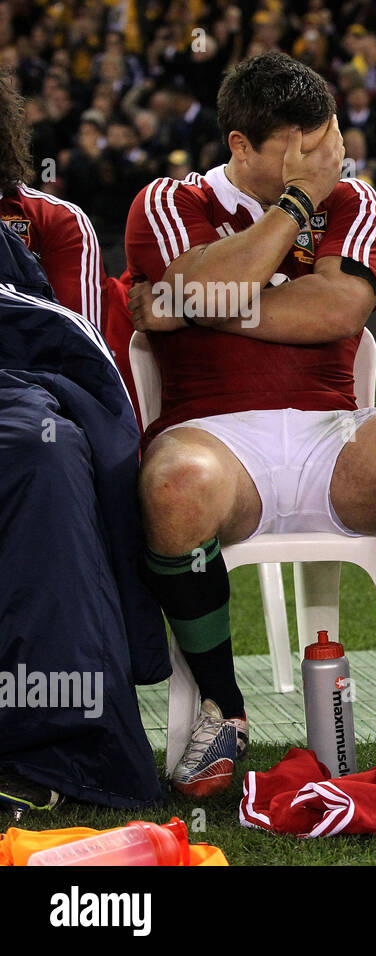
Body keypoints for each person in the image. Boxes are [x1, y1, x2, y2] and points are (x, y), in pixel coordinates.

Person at [125, 52, 376, 797]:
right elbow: (267, 294)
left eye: (328, 141)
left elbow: (336, 311)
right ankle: (223, 713)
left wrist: (199, 301)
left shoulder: (354, 201)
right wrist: (294, 208)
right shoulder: (170, 199)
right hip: (214, 436)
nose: (329, 161)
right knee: (172, 487)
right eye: (303, 152)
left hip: (335, 433)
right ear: (241, 146)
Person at [0, 75, 167, 816]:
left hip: (19, 393)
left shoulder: (50, 221)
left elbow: (78, 353)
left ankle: (56, 742)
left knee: (52, 451)